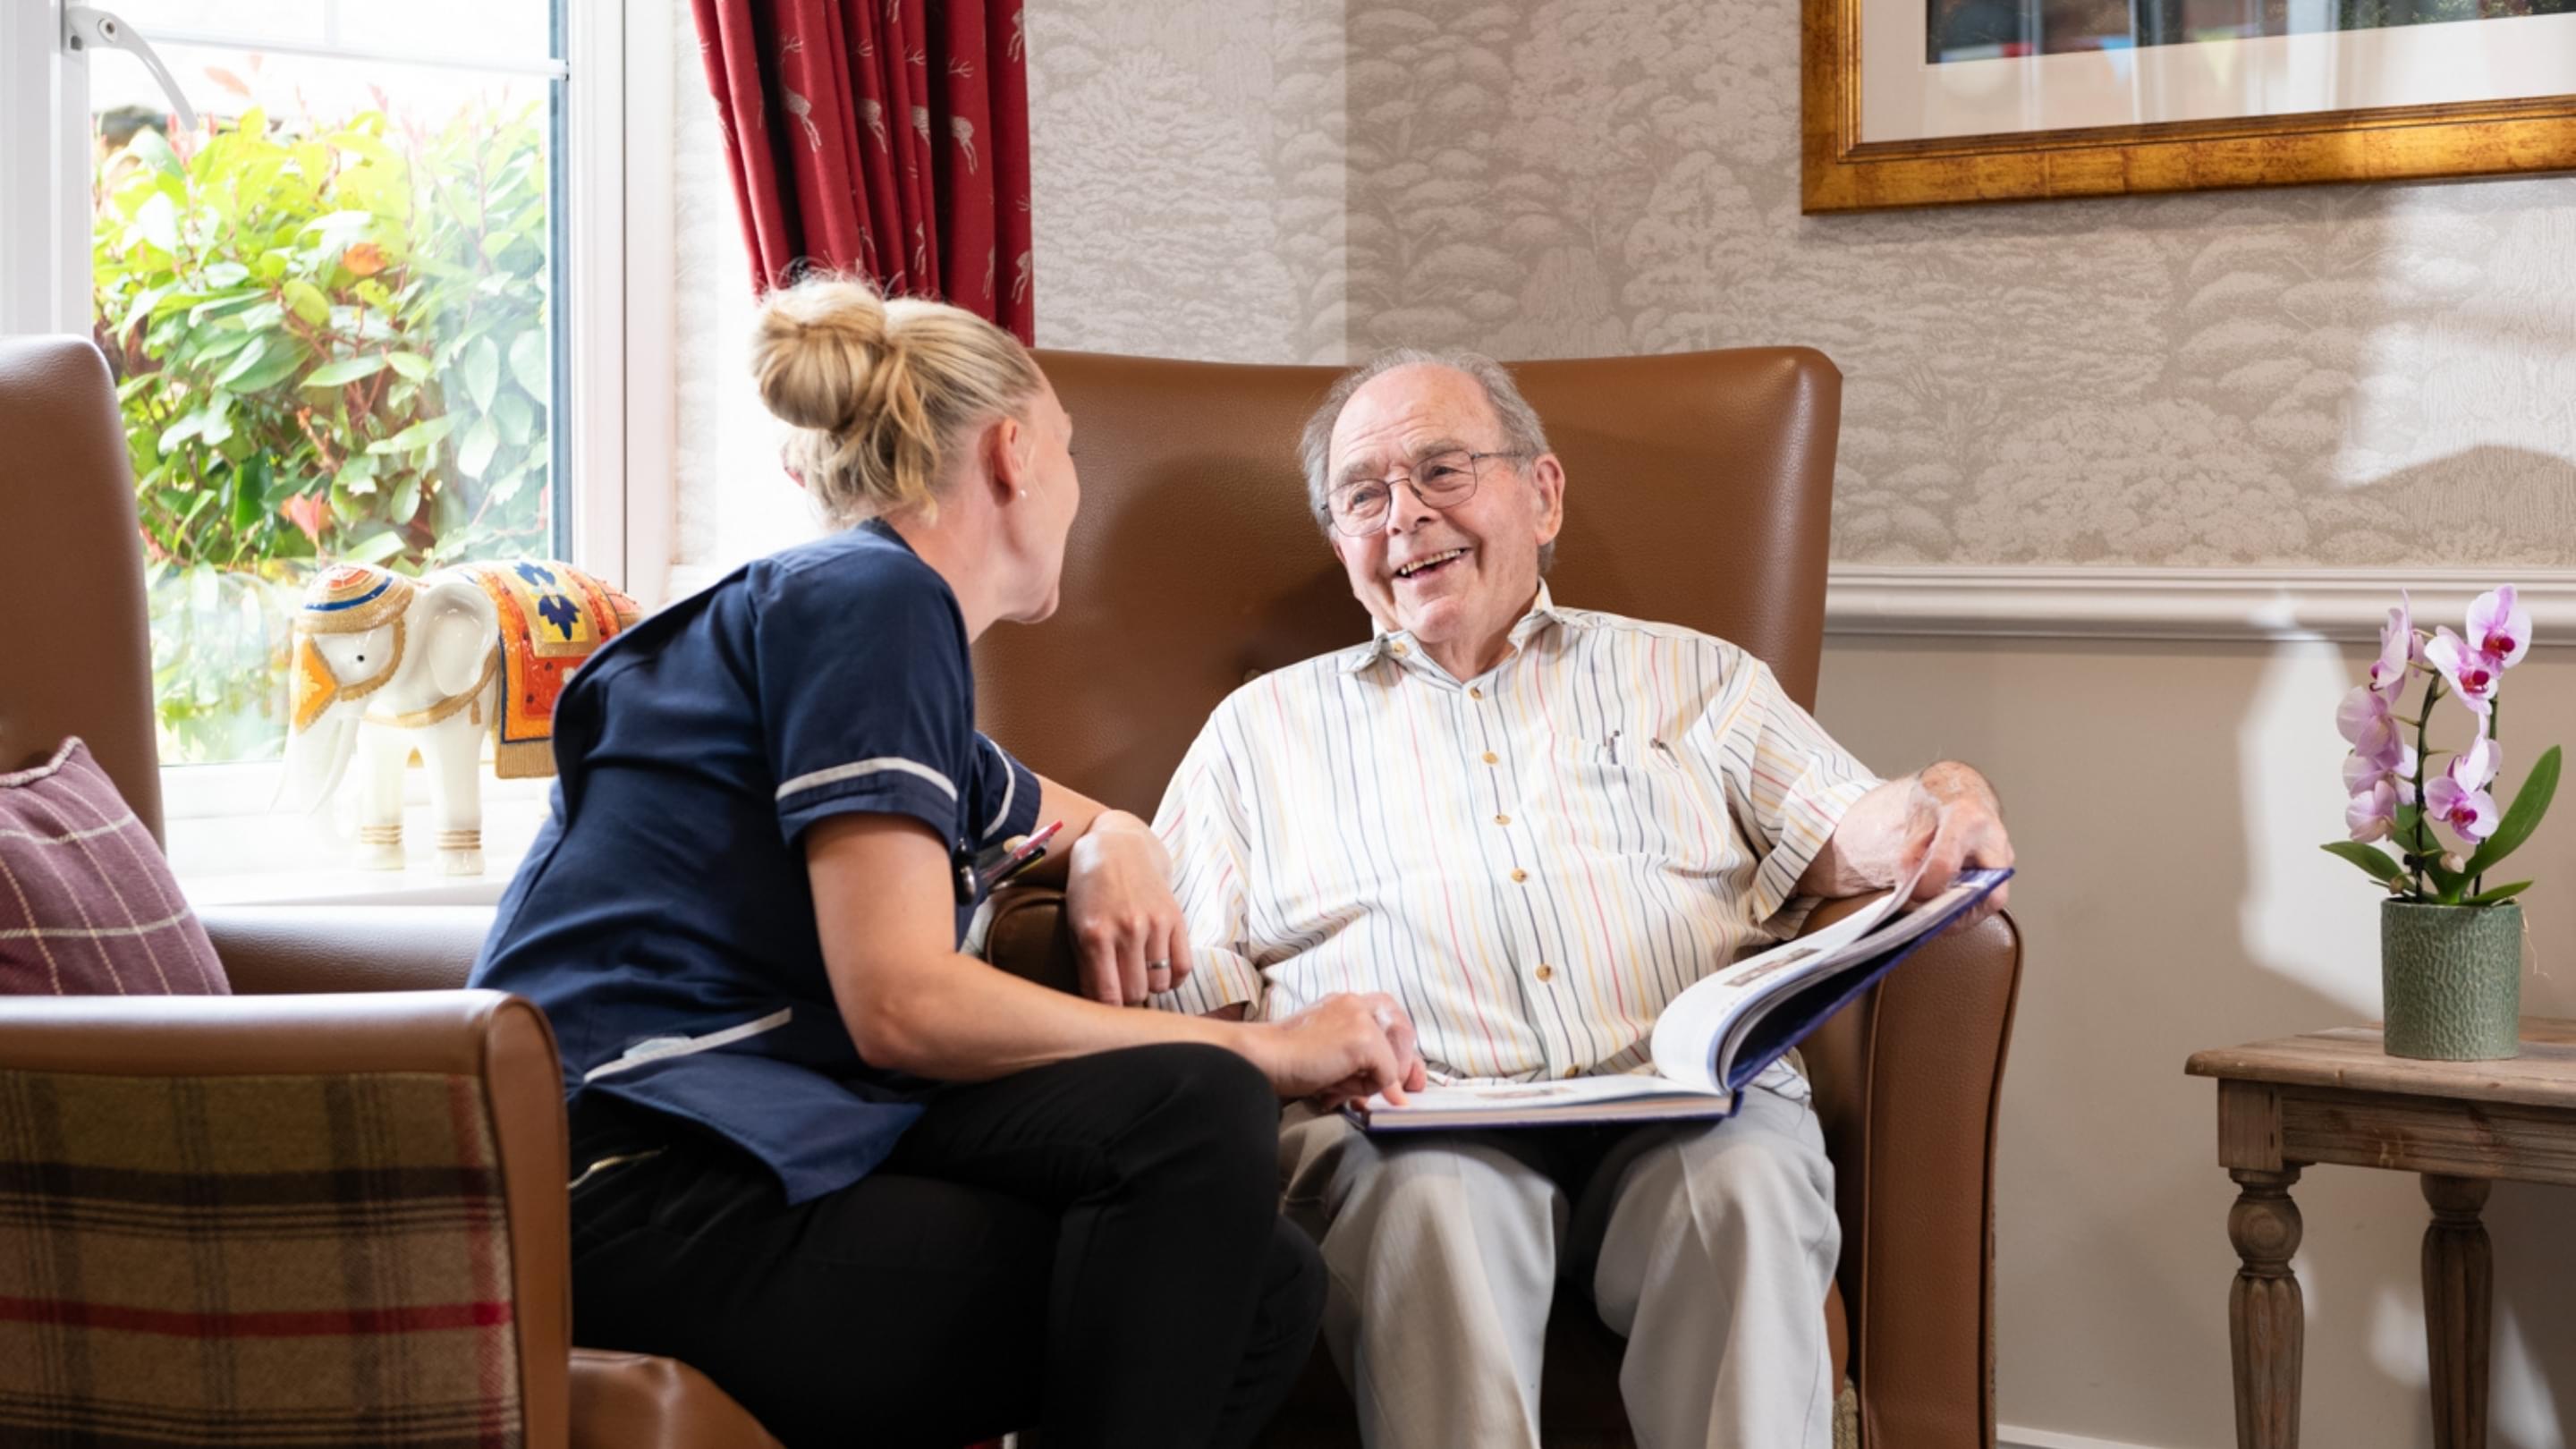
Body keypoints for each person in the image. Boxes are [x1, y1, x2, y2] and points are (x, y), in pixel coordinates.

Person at [469, 279, 1426, 1449]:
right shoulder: (876, 600)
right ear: (1014, 456)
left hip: (739, 1145)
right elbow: (903, 1006)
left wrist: (1118, 839)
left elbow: (1054, 811)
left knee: (1255, 1263)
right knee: (1215, 1127)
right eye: (1071, 452)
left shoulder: (847, 626)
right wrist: (1273, 1047)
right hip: (639, 1187)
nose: (1077, 486)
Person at [1139, 349, 2016, 1449]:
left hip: (1692, 1112)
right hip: (1415, 1129)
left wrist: (1945, 796)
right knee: (1438, 1211)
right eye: (1365, 495)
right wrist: (1100, 859)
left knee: (1742, 1191)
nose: (1405, 516)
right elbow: (1184, 996)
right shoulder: (1256, 735)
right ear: (1339, 542)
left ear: (1542, 494)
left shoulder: (1697, 679)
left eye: (1443, 470)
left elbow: (1857, 829)